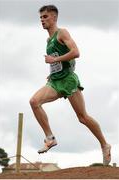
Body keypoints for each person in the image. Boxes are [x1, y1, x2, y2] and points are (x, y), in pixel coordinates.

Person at [30, 5, 111, 165]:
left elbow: (76, 52)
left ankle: (104, 144)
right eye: (40, 17)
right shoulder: (49, 40)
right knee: (34, 102)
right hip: (55, 81)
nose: (42, 20)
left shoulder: (62, 33)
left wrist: (55, 60)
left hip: (68, 81)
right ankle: (50, 138)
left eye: (45, 17)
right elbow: (64, 61)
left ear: (54, 18)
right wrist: (53, 71)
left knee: (82, 117)